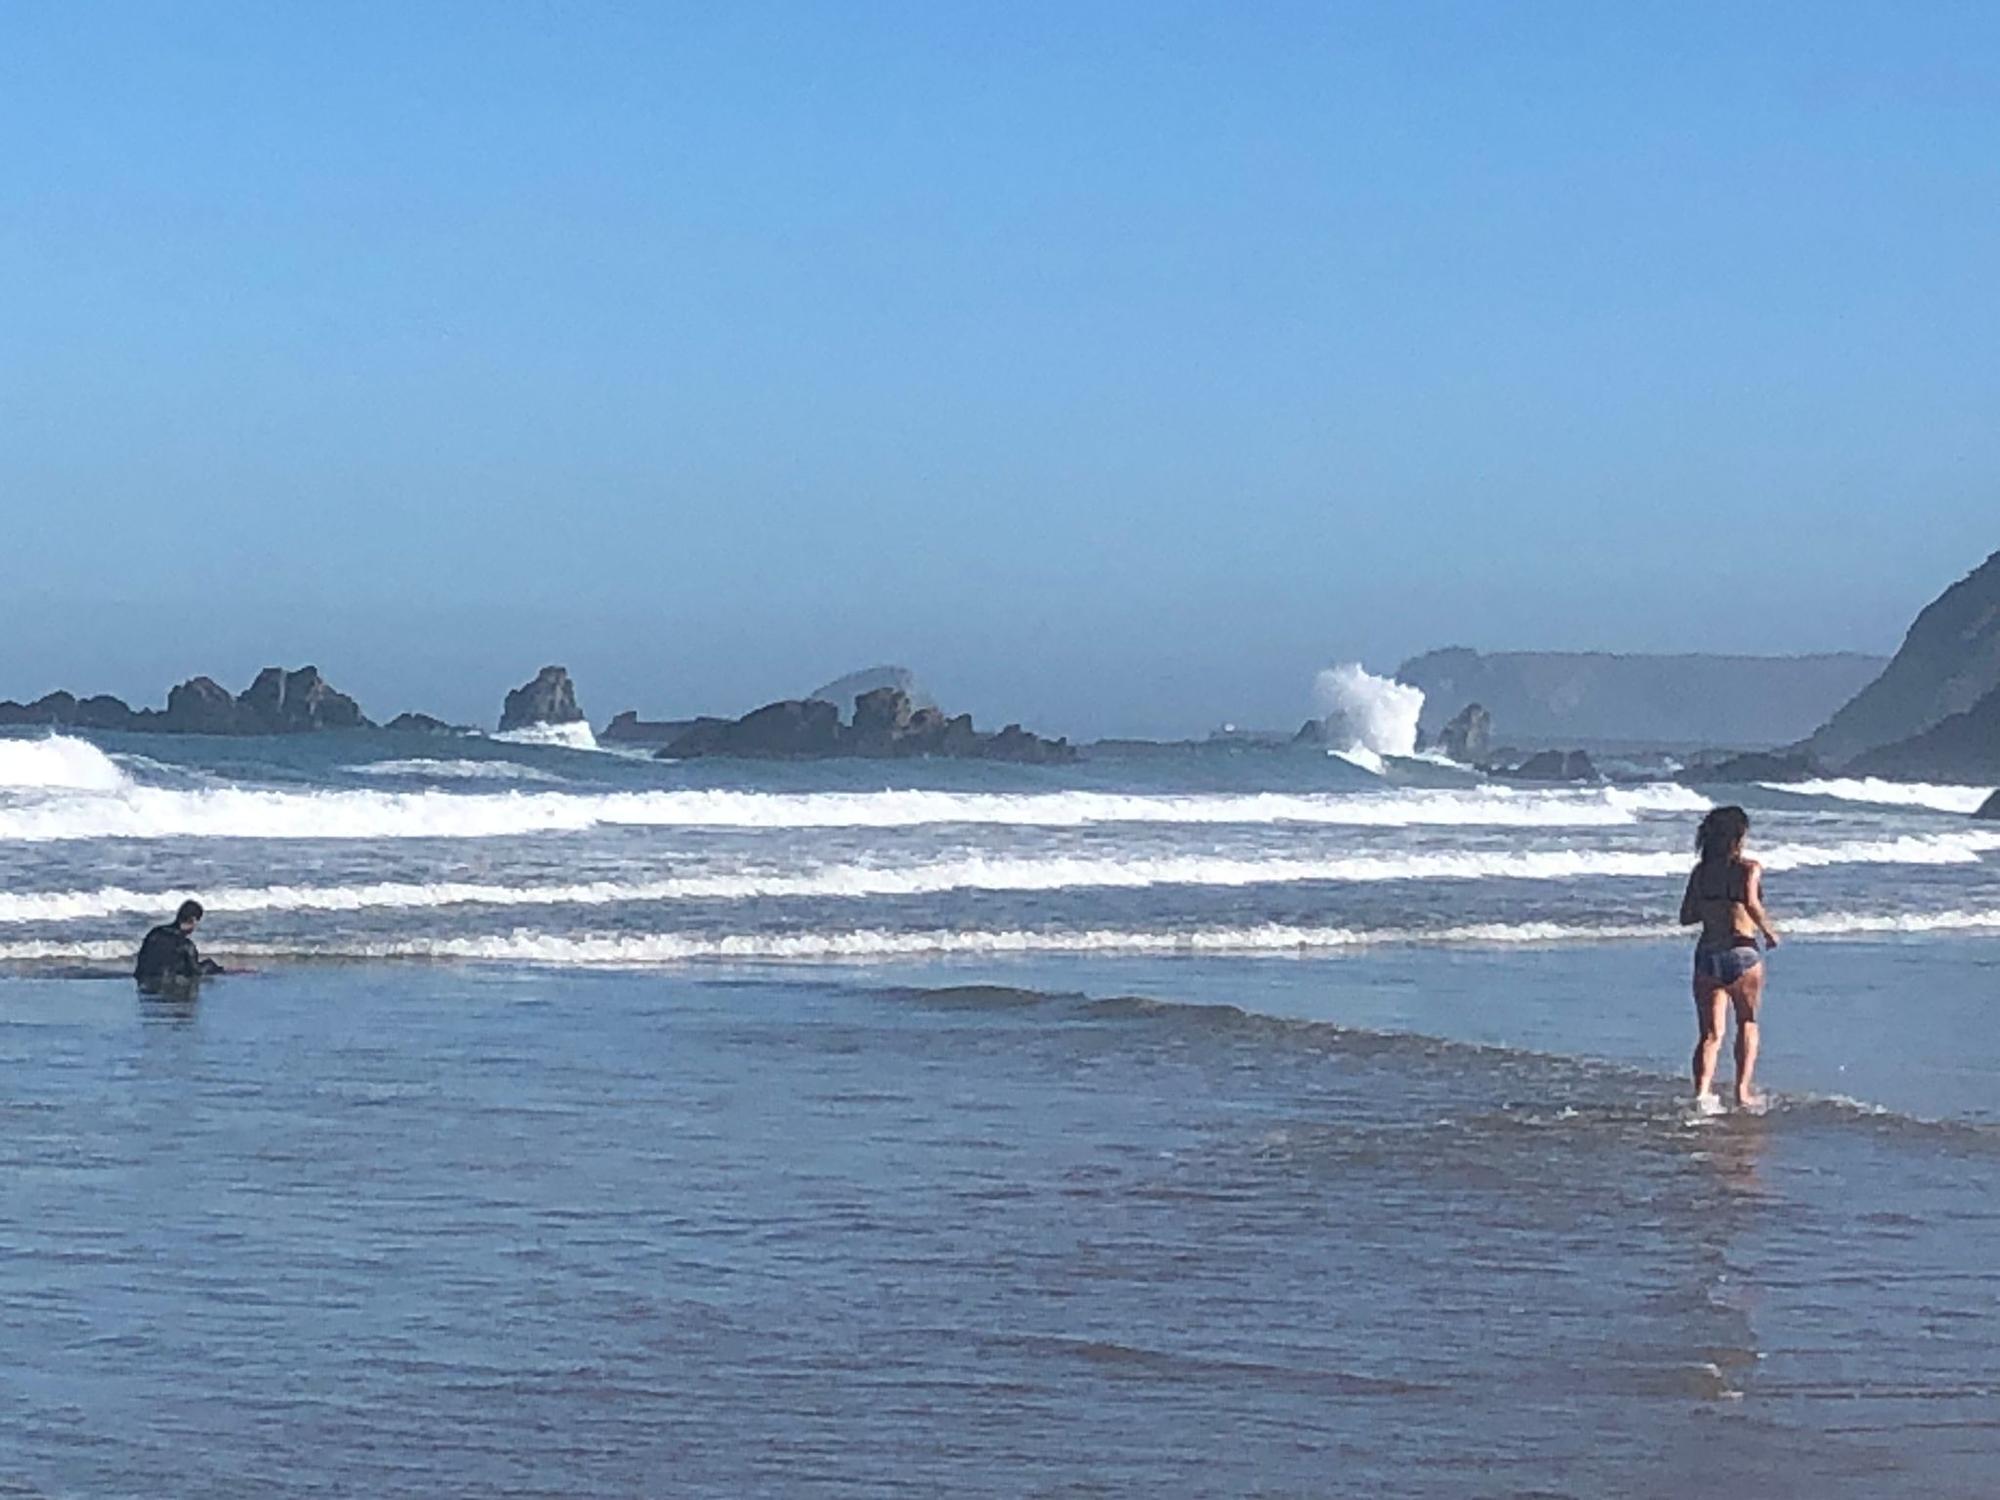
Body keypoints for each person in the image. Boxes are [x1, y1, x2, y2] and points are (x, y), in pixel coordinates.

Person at [1679, 805, 1779, 1110]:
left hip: (1708, 952)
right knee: (1747, 1022)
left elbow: (1686, 916)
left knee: (1709, 1034)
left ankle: (1702, 1095)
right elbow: (1750, 901)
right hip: (1742, 951)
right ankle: (1742, 1091)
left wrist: (1713, 906)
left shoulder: (1701, 872)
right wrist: (1769, 931)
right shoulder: (1748, 868)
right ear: (1738, 836)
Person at [135, 899, 224, 993]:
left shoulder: (154, 933)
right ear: (193, 919)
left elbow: (142, 959)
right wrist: (210, 966)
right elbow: (196, 971)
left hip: (144, 982)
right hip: (167, 985)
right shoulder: (186, 945)